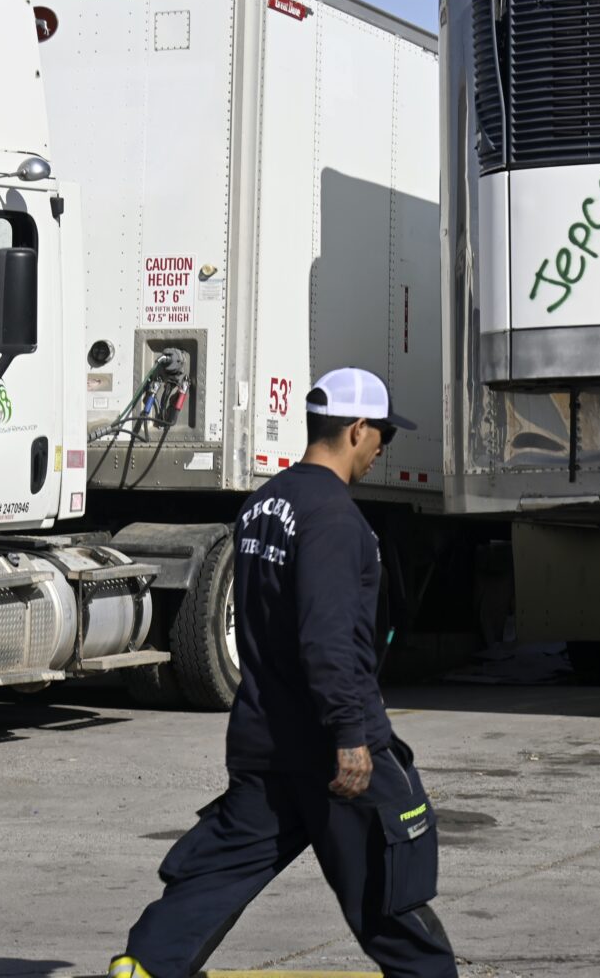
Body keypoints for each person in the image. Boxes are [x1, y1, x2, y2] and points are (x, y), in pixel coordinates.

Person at [108, 367, 457, 978]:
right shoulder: (335, 518)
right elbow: (327, 638)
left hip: (265, 740)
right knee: (391, 897)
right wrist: (349, 734)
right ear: (357, 429)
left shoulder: (263, 504)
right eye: (384, 434)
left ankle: (141, 969)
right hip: (330, 749)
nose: (383, 448)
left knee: (215, 873)